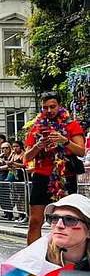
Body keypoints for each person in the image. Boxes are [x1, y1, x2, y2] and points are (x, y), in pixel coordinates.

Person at [24, 91, 86, 244]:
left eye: (52, 107)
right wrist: (38, 146)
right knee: (34, 222)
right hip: (41, 176)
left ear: (60, 106)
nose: (49, 111)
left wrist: (64, 141)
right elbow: (26, 158)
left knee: (67, 221)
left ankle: (66, 255)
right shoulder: (36, 128)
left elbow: (81, 151)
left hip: (65, 177)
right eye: (45, 108)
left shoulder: (71, 125)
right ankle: (31, 259)